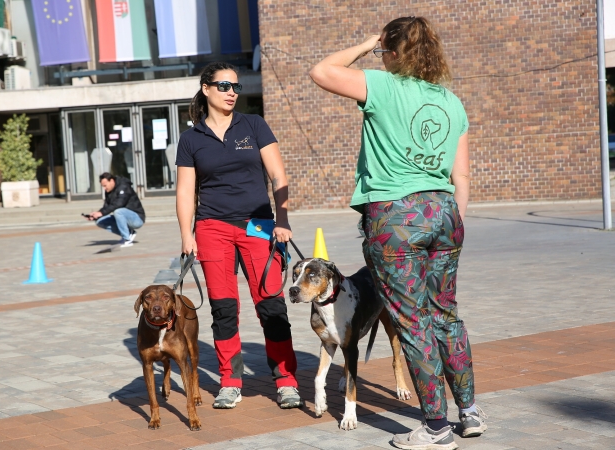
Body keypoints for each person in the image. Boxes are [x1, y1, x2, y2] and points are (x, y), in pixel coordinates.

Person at [310, 17, 485, 450]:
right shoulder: (450, 101)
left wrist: (368, 42)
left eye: (383, 50)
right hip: (444, 213)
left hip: (395, 218)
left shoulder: (383, 86)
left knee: (412, 323)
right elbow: (461, 176)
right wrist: (451, 223)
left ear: (392, 51)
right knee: (446, 316)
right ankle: (469, 411)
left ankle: (436, 427)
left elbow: (322, 71)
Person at [175, 62, 302, 410]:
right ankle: (230, 380)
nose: (232, 92)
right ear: (206, 89)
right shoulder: (191, 139)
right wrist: (187, 235)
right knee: (223, 308)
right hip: (212, 226)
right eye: (224, 85)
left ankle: (286, 380)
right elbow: (186, 192)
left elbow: (278, 176)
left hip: (258, 223)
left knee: (271, 304)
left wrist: (282, 218)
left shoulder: (254, 125)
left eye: (235, 86)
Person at [86, 173, 146, 248]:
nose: (104, 188)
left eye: (105, 185)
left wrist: (101, 213)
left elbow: (119, 203)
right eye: (102, 186)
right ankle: (129, 233)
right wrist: (96, 215)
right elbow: (107, 206)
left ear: (111, 181)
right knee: (100, 221)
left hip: (137, 219)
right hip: (122, 215)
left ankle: (127, 239)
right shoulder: (108, 191)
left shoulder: (124, 186)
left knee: (118, 211)